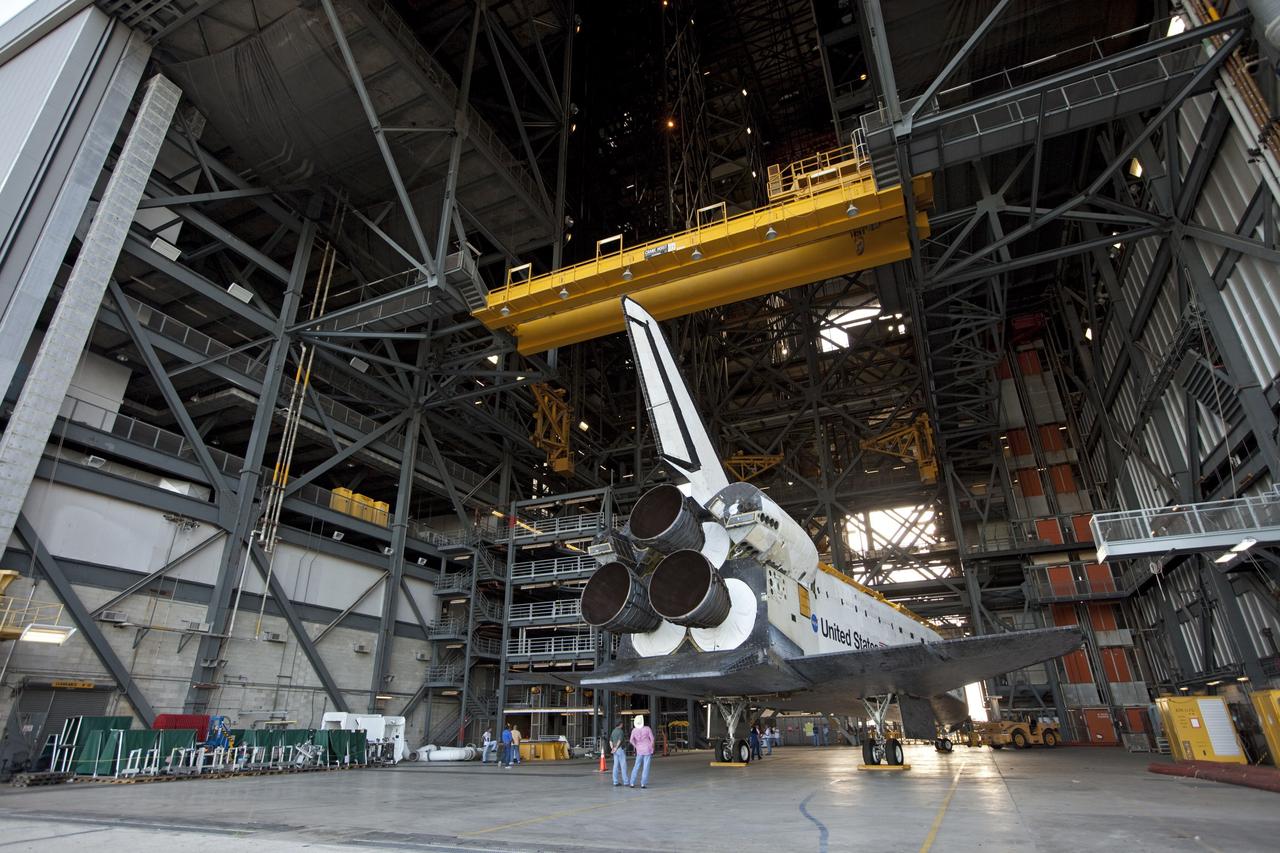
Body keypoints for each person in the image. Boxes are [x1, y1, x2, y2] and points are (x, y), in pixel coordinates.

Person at [628, 714, 654, 788]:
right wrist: (652, 747)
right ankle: (643, 783)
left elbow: (631, 740)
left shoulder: (634, 730)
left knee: (636, 766)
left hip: (639, 750)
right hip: (647, 749)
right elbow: (652, 739)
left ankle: (632, 782)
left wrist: (636, 746)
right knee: (646, 767)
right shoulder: (647, 728)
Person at [609, 717, 629, 787]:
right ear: (620, 724)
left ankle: (615, 781)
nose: (622, 724)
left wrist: (613, 748)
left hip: (615, 750)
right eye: (622, 723)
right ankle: (626, 782)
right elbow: (620, 740)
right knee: (623, 766)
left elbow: (610, 740)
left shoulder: (613, 731)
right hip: (620, 749)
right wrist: (616, 747)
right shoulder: (620, 731)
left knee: (615, 766)